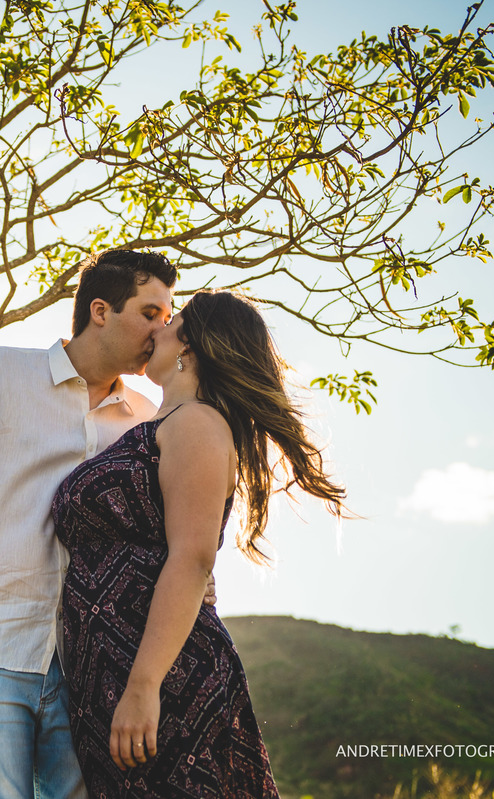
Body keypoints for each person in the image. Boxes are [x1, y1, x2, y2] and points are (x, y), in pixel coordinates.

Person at [0, 249, 181, 799]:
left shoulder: (152, 421)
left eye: (168, 317)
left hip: (95, 672)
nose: (162, 328)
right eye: (151, 313)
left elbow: (170, 542)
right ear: (100, 311)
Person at [52, 289, 346, 798]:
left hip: (160, 675)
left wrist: (144, 686)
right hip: (109, 672)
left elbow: (192, 558)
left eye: (170, 321)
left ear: (189, 347)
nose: (156, 331)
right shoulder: (161, 425)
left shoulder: (197, 424)